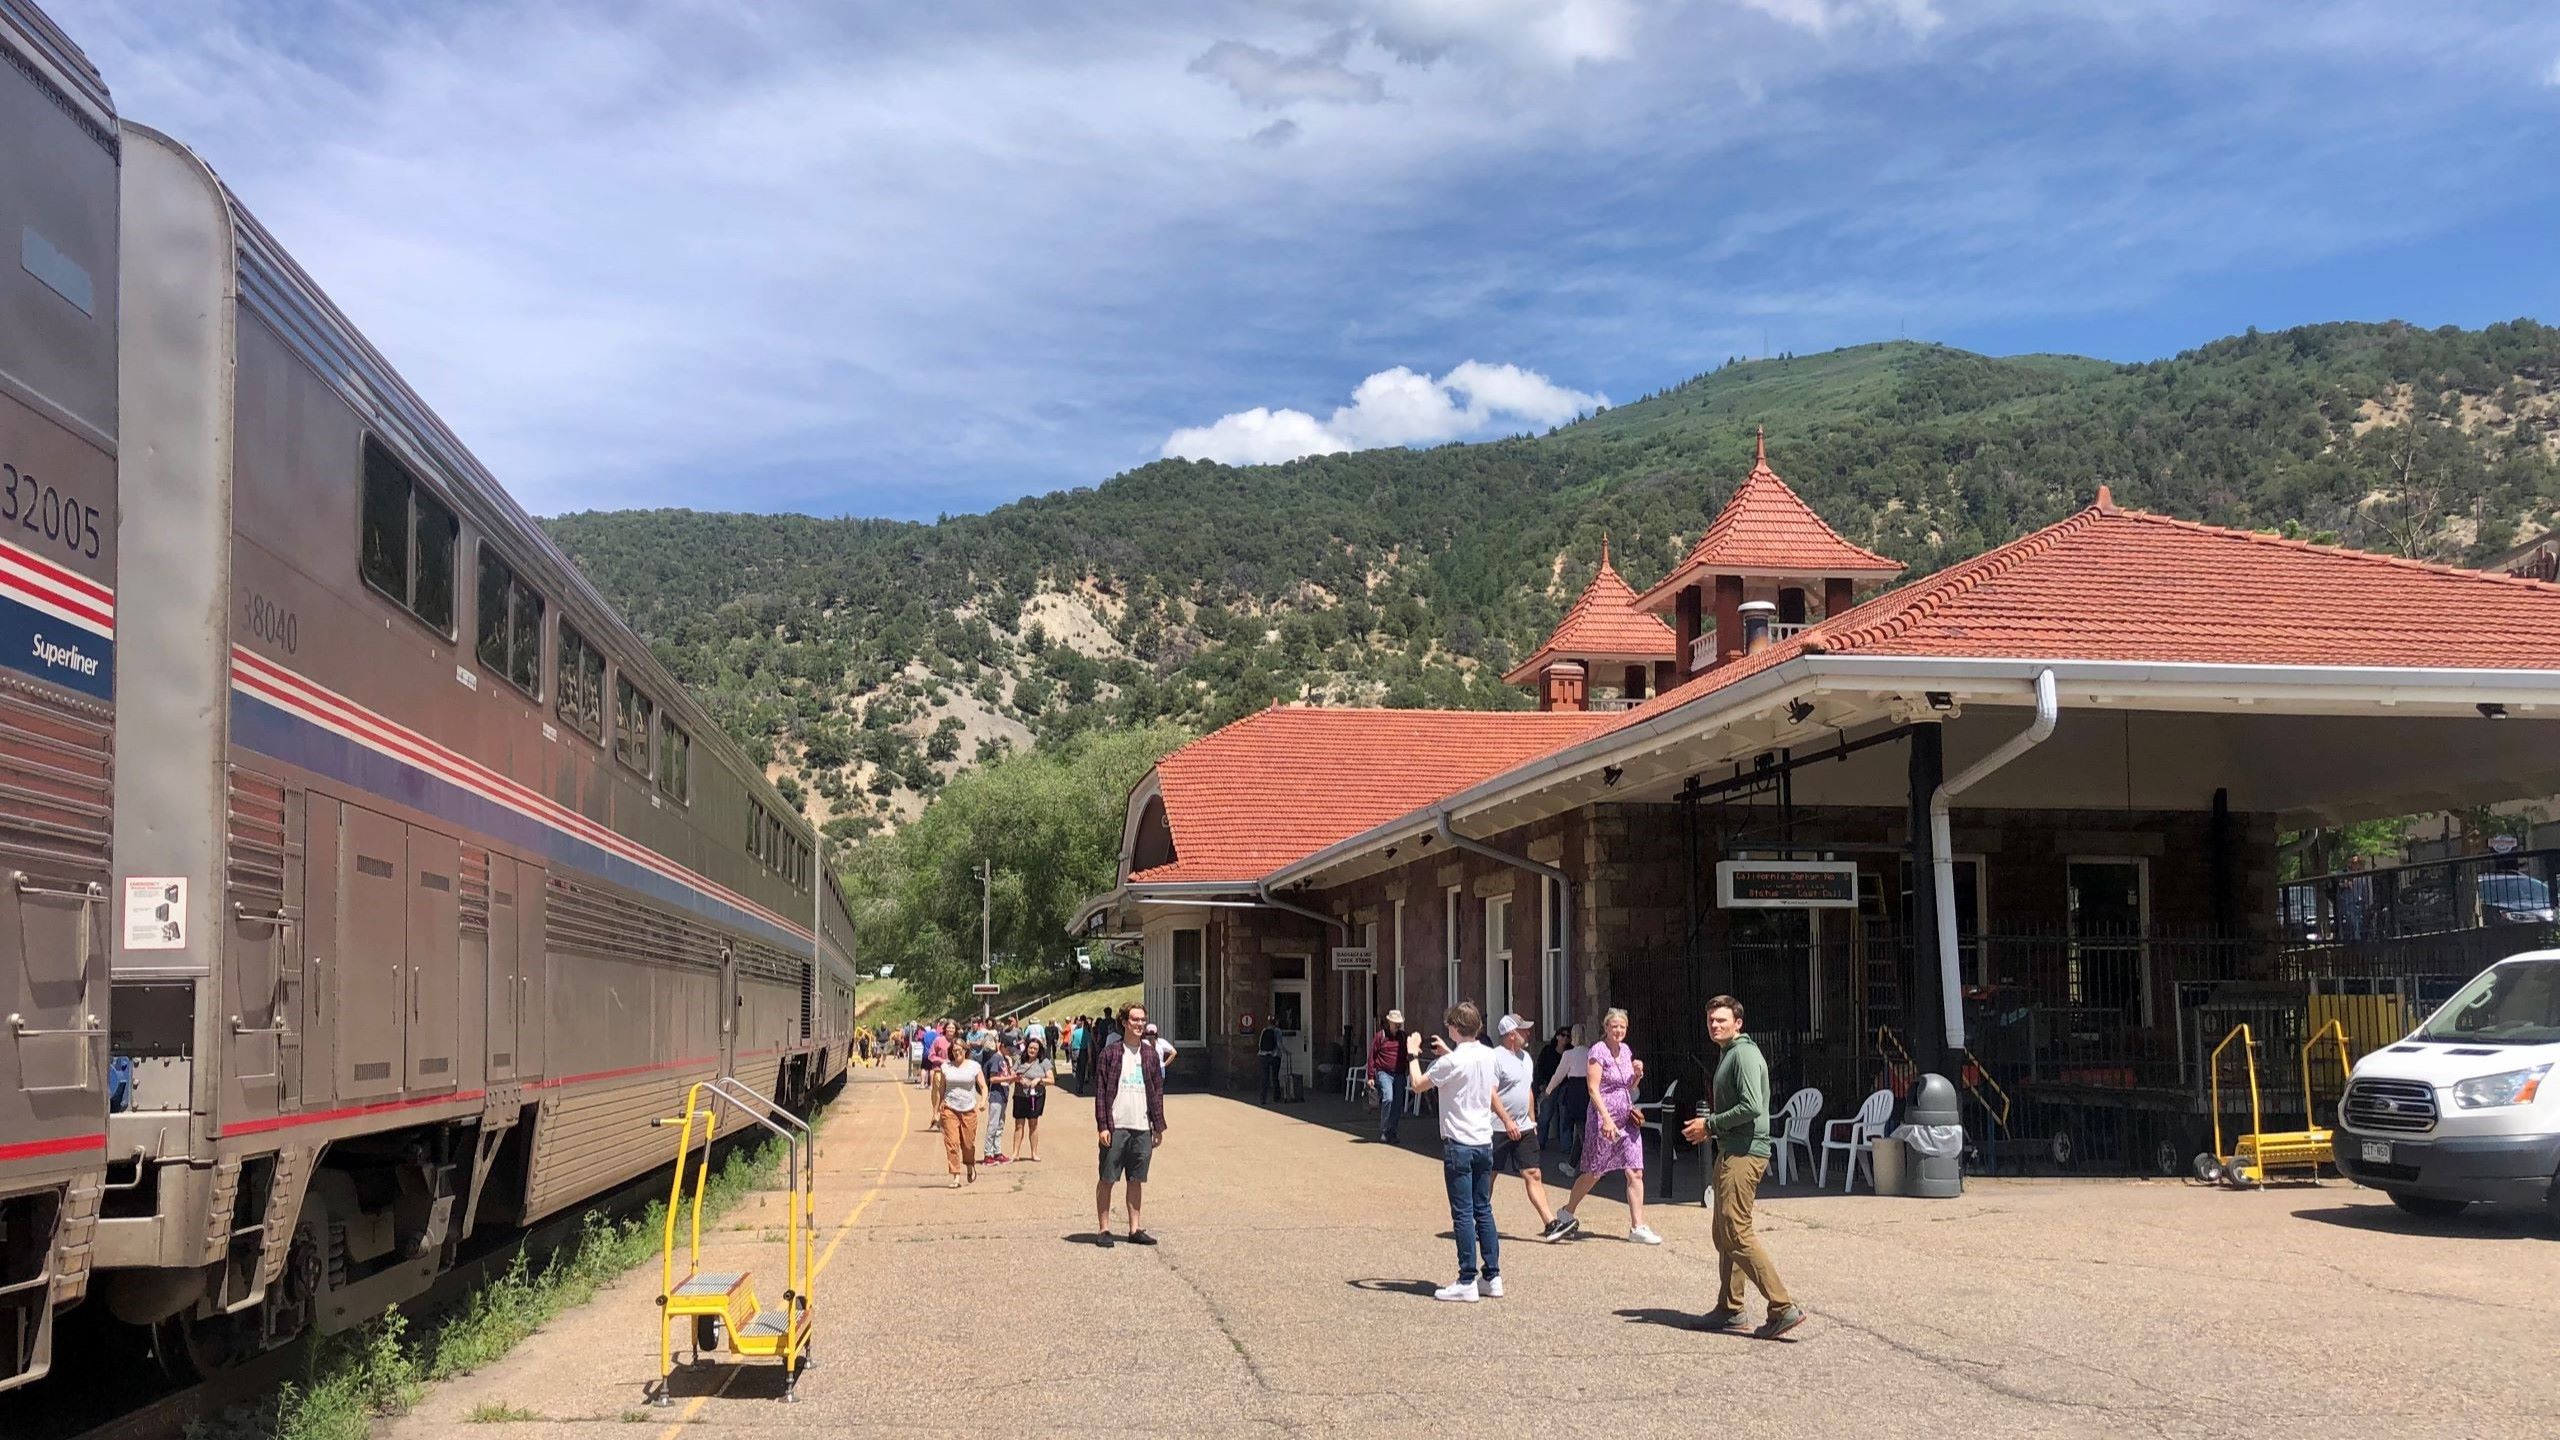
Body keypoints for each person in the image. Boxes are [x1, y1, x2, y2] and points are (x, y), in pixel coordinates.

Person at [1682, 995, 1804, 1338]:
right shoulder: (1729, 1054)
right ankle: (1730, 1308)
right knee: (1724, 1233)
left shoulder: (1745, 1054)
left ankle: (1782, 1307)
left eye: (1721, 1020)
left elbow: (1751, 1106)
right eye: (1711, 1020)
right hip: (1732, 1149)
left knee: (1736, 1231)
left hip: (1745, 1152)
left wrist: (1710, 1125)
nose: (1715, 1025)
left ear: (1738, 1023)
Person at [1406, 1002, 1510, 1302]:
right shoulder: (1489, 1055)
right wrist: (1447, 1055)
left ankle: (1467, 1279)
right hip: (1483, 1140)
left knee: (1463, 1213)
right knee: (1483, 1209)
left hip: (1459, 1144)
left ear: (1453, 1028)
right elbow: (1470, 1071)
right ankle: (1492, 1275)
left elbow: (1417, 1084)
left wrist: (1413, 1053)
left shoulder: (1451, 1062)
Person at [1550, 1007, 1658, 1244]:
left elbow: (1628, 1086)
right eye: (1614, 1026)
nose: (1618, 1030)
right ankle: (1567, 1210)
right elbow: (1593, 1088)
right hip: (1604, 1117)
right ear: (1606, 1027)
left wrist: (1638, 1074)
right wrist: (1606, 1118)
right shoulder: (1598, 1051)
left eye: (1622, 1026)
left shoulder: (1626, 1050)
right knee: (1594, 1171)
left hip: (1627, 1118)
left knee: (1635, 1170)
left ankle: (1637, 1226)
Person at [1093, 1004, 1167, 1246]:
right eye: (1134, 1020)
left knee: (1136, 1179)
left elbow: (1157, 1092)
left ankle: (1134, 1229)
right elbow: (1101, 1093)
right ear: (1124, 1022)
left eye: (1142, 1020)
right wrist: (1103, 1125)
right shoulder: (1111, 1054)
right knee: (1107, 1178)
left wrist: (1158, 1126)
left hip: (1142, 1126)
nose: (1139, 1024)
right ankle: (1104, 1230)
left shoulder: (1149, 1055)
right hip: (1116, 1127)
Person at [1490, 1014, 1561, 1237]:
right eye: (1523, 1030)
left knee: (1533, 1173)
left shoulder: (1525, 1058)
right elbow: (1491, 1093)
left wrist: (1532, 1119)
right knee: (1488, 1175)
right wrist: (1507, 1120)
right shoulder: (1495, 1058)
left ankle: (1550, 1223)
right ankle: (1476, 1222)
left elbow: (1527, 1090)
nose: (1528, 1033)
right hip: (1496, 1128)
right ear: (1511, 1035)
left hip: (1524, 1127)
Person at [932, 1037, 988, 1189]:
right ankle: (956, 1175)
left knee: (968, 1144)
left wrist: (983, 1101)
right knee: (952, 1143)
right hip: (950, 1108)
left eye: (959, 1050)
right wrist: (936, 1111)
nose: (957, 1053)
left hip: (968, 1109)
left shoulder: (974, 1066)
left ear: (965, 1051)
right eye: (954, 1051)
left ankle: (970, 1165)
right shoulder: (946, 1067)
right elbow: (941, 1090)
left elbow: (983, 1086)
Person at [1367, 1011, 1409, 1143]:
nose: (1397, 1026)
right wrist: (1370, 1076)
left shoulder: (1403, 1037)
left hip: (1399, 1073)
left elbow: (1409, 1052)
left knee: (1398, 1103)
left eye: (1399, 1024)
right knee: (1388, 1098)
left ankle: (1393, 1131)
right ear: (1389, 1022)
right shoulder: (1380, 1036)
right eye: (1395, 1023)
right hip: (1384, 1072)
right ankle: (1384, 1130)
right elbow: (1372, 1056)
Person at [1013, 1035, 1053, 1161]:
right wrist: (1019, 1079)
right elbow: (1011, 1074)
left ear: (1039, 1050)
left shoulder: (1044, 1062)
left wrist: (1039, 1080)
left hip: (1036, 1096)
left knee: (1033, 1124)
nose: (1032, 1051)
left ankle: (1034, 1153)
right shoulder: (1020, 1059)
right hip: (1020, 1095)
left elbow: (1051, 1080)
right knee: (1019, 1125)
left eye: (1035, 1049)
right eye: (1030, 1048)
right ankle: (1015, 1153)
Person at [982, 1035, 1015, 1165]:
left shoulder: (1005, 1060)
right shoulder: (996, 1058)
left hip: (1004, 1095)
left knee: (1000, 1125)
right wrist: (1008, 1078)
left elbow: (1007, 1078)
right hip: (996, 1096)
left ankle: (997, 1152)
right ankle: (988, 1154)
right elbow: (993, 1079)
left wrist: (1013, 1078)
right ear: (1002, 1046)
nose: (1011, 1051)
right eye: (1009, 1048)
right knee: (993, 1125)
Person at [1256, 1016, 1286, 1105]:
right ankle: (1276, 1097)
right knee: (1275, 1077)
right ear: (1276, 1022)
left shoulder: (1264, 1030)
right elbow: (1279, 1044)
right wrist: (1286, 1052)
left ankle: (1262, 1098)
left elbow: (1260, 1044)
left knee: (1264, 1078)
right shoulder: (1277, 1031)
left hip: (1263, 1056)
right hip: (1275, 1056)